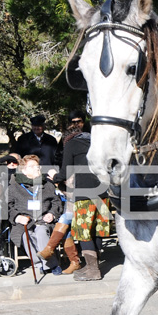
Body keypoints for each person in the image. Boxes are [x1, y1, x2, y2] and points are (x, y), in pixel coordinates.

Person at [56, 111, 111, 281]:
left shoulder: (71, 144)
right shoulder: (97, 141)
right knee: (96, 230)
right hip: (103, 192)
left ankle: (93, 270)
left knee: (83, 231)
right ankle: (94, 265)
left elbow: (65, 171)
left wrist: (54, 178)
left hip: (85, 194)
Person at [7, 155, 63, 275]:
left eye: (37, 166)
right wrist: (17, 217)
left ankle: (51, 265)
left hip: (43, 220)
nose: (37, 168)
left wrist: (52, 214)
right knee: (25, 235)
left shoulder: (47, 184)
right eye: (32, 167)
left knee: (41, 232)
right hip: (25, 221)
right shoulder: (14, 187)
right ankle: (39, 264)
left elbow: (56, 202)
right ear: (24, 170)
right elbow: (7, 206)